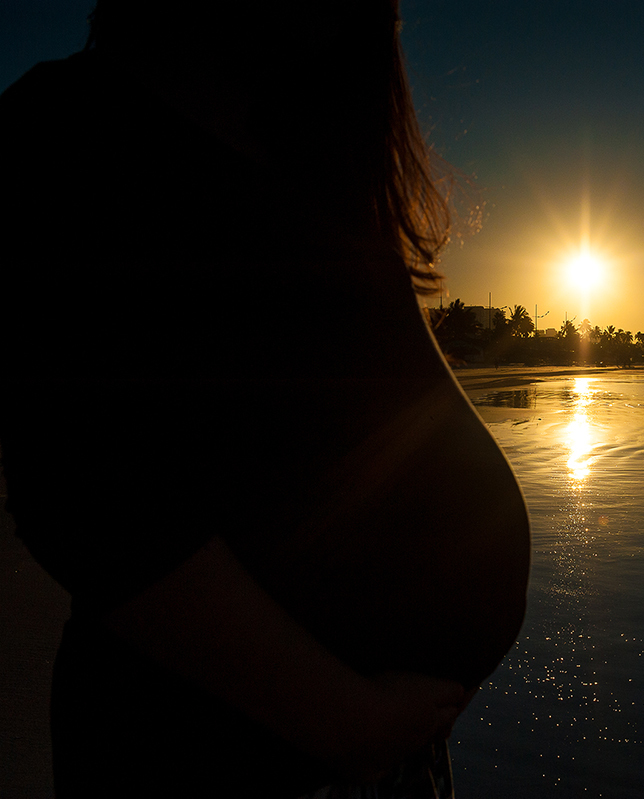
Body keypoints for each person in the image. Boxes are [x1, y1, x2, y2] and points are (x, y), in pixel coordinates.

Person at [0, 2, 531, 796]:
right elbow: (90, 494)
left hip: (382, 754)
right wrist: (345, 721)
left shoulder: (311, 162)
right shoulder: (74, 123)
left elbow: (400, 397)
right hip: (207, 747)